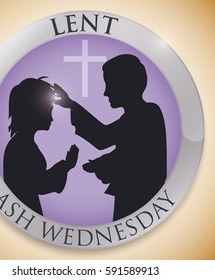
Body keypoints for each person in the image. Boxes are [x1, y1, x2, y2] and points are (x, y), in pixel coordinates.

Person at [54, 54, 167, 221]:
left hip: (138, 198)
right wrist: (103, 162)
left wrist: (71, 105)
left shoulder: (146, 114)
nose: (106, 92)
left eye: (111, 85)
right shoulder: (138, 115)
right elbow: (128, 149)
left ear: (127, 85)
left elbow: (103, 138)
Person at [3, 77, 79, 215]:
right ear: (33, 111)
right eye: (48, 111)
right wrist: (66, 165)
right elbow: (38, 184)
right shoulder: (21, 148)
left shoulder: (23, 144)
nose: (51, 118)